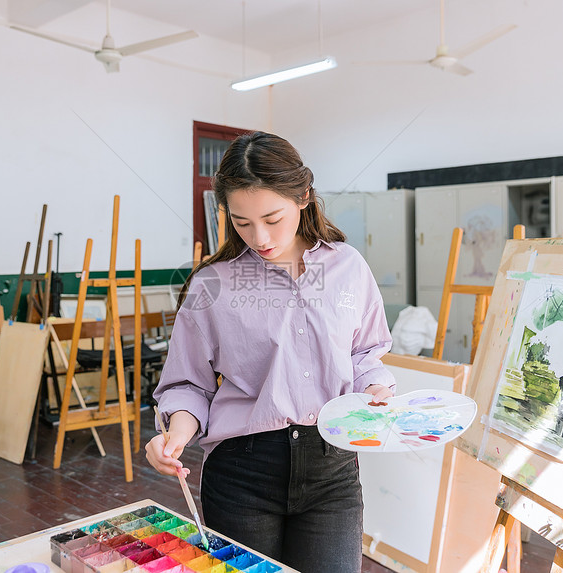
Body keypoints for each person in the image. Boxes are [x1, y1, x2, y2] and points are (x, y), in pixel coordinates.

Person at [145, 131, 395, 573]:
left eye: (272, 218)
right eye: (242, 222)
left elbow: (365, 351)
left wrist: (373, 385)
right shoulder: (212, 285)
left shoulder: (348, 267)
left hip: (331, 467)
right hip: (242, 473)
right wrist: (176, 435)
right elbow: (187, 384)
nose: (259, 237)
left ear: (302, 197)